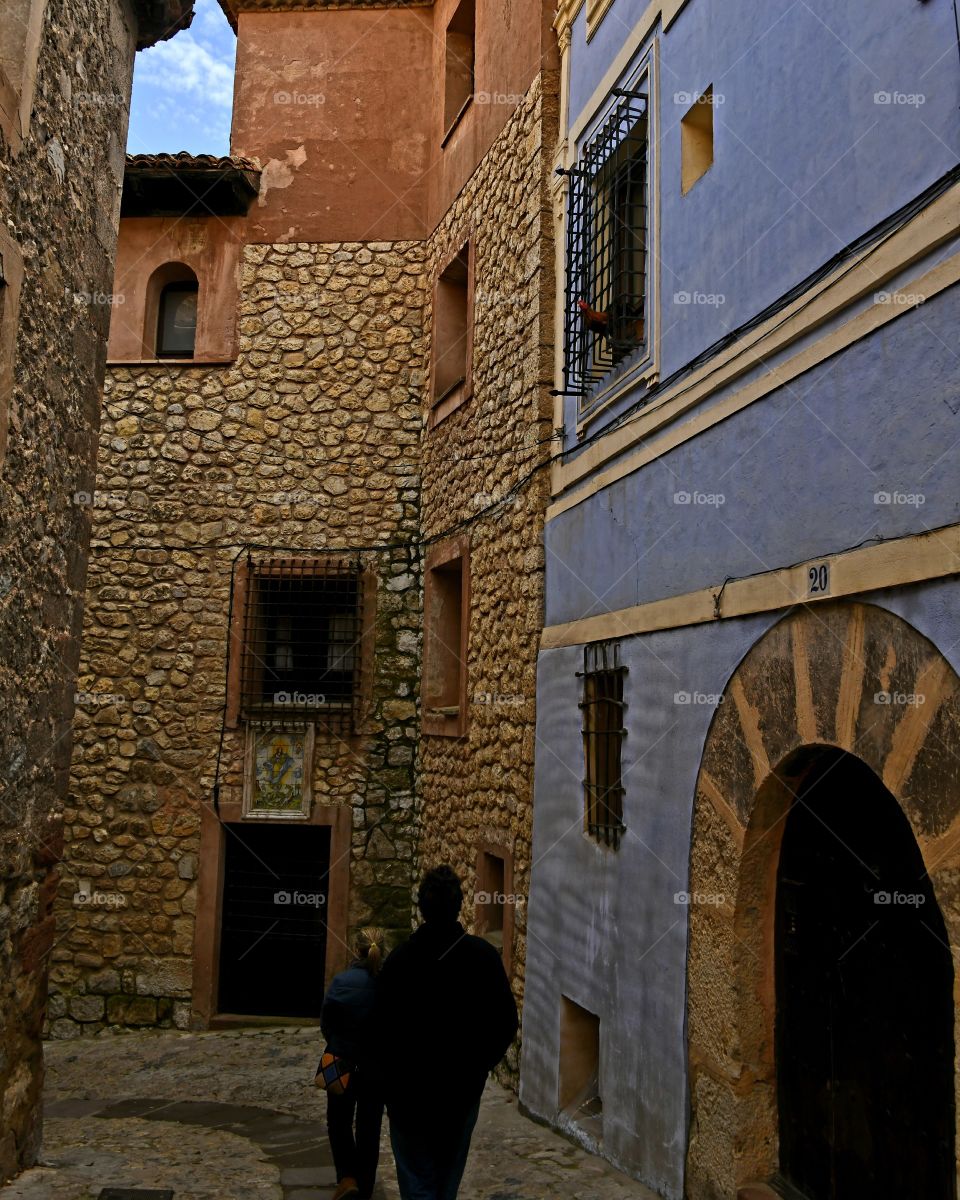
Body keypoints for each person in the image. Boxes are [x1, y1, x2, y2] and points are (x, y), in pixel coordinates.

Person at [375, 865, 519, 1200]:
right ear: (458, 906)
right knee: (445, 1180)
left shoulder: (400, 961)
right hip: (460, 1091)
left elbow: (379, 1027)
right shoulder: (482, 958)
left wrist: (389, 1079)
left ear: (422, 907)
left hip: (408, 1094)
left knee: (417, 1180)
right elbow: (505, 1022)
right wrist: (478, 1065)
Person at [320, 927, 387, 1200]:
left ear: (356, 949)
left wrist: (338, 1042)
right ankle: (365, 1186)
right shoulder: (387, 984)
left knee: (338, 1121)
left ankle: (347, 1178)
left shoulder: (341, 981)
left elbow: (327, 1023)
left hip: (340, 1059)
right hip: (375, 1065)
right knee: (369, 1126)